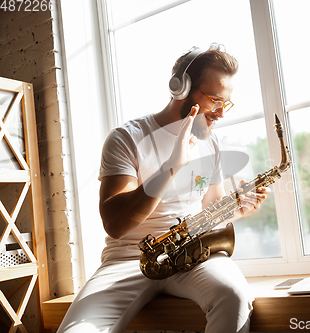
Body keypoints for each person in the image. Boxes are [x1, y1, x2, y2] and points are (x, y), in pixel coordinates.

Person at [57, 44, 270, 333]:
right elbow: (115, 224)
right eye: (214, 100)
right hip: (127, 260)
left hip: (191, 256)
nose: (220, 113)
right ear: (181, 88)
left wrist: (238, 207)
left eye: (226, 103)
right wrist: (171, 167)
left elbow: (211, 207)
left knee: (234, 297)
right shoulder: (126, 138)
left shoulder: (212, 143)